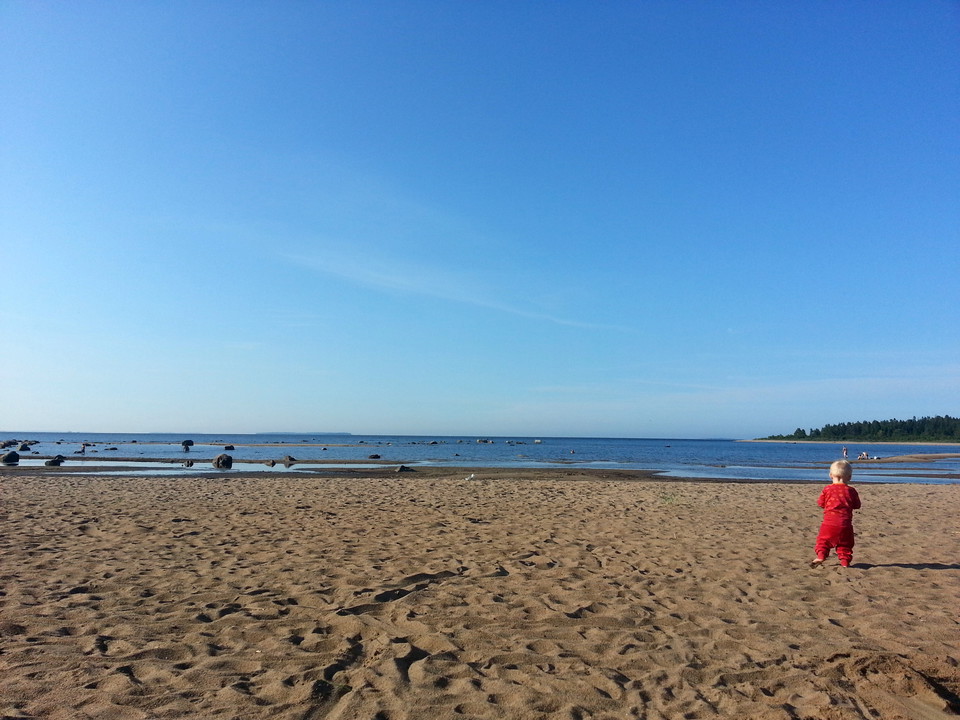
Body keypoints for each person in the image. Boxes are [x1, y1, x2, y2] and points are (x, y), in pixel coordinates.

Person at [811, 460, 861, 568]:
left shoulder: (827, 489)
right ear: (849, 477)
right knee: (845, 544)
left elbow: (820, 503)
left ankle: (821, 555)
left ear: (830, 475)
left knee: (823, 541)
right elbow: (857, 505)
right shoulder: (851, 491)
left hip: (829, 524)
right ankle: (845, 562)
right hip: (845, 525)